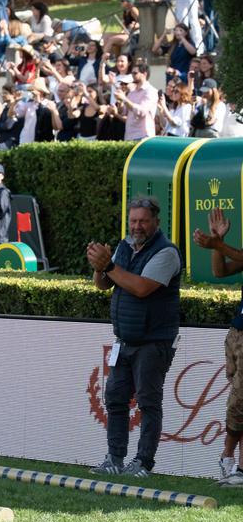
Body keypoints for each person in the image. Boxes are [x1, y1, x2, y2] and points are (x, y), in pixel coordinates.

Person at [87, 197, 181, 478]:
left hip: (154, 342)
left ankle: (143, 463)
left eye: (142, 221)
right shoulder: (124, 246)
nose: (137, 226)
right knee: (115, 399)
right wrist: (99, 265)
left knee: (148, 403)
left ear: (156, 222)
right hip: (125, 340)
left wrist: (110, 266)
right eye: (133, 221)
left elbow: (141, 288)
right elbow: (103, 285)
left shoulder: (167, 253)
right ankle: (114, 459)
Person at [191, 209, 243, 487]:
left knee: (239, 402)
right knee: (239, 401)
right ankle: (233, 467)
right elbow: (219, 270)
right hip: (237, 333)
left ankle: (227, 459)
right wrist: (216, 241)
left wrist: (219, 245)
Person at [115, 62, 158, 141]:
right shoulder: (132, 92)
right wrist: (120, 101)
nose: (132, 75)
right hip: (129, 135)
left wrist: (124, 99)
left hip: (143, 135)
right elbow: (123, 112)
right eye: (132, 73)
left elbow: (142, 111)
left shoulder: (151, 91)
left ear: (144, 74)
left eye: (135, 73)